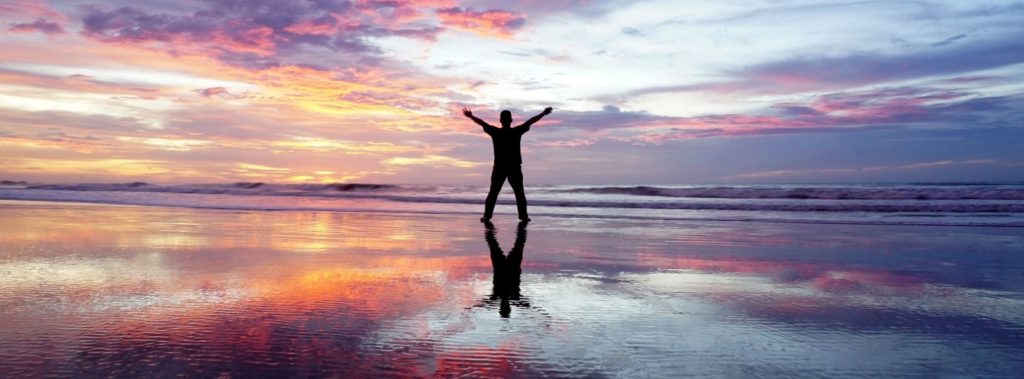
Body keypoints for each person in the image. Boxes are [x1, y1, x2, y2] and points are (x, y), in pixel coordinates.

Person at [462, 106, 553, 222]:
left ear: (500, 120)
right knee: (518, 192)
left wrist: (471, 117)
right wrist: (543, 113)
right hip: (512, 167)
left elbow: (482, 123)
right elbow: (531, 121)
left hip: (501, 167)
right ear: (511, 120)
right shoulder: (516, 131)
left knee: (494, 192)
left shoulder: (496, 132)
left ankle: (487, 216)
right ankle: (523, 216)